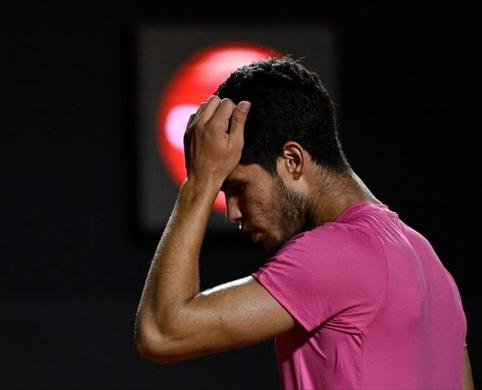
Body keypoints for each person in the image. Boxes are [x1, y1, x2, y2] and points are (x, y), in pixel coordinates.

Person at [134, 56, 473, 389]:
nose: (232, 212)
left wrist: (200, 182)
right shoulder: (431, 264)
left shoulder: (335, 251)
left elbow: (161, 333)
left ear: (293, 160)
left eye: (237, 187)